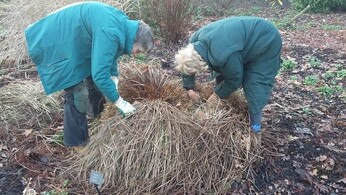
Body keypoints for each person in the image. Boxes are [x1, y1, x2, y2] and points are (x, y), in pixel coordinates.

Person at [24, 1, 154, 148]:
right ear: (135, 40)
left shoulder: (123, 26)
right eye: (138, 50)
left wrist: (113, 77)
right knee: (77, 93)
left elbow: (109, 55)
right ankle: (77, 144)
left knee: (95, 82)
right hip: (56, 40)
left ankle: (97, 118)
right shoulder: (111, 30)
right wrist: (119, 102)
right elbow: (100, 74)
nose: (135, 54)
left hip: (73, 40)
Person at [174, 16, 282, 133]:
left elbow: (234, 80)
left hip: (265, 39)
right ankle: (225, 103)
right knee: (225, 71)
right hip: (238, 42)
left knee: (255, 83)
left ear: (201, 64)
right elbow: (187, 63)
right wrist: (189, 89)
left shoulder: (223, 55)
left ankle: (255, 128)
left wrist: (215, 98)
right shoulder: (194, 42)